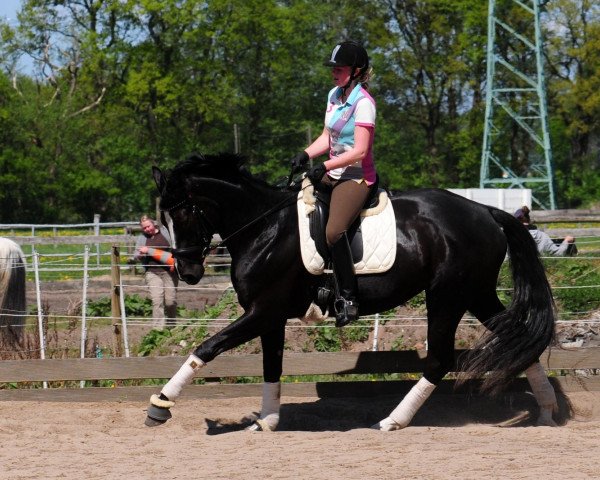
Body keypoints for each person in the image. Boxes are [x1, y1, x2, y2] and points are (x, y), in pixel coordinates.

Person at [289, 40, 376, 327]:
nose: (333, 73)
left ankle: (348, 298)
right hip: (332, 171)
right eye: (333, 68)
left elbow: (359, 151)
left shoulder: (364, 104)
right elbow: (328, 137)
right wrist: (306, 154)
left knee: (335, 231)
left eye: (339, 69)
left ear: (356, 71)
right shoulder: (334, 95)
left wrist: (323, 166)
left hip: (355, 177)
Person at [133, 215, 178, 328]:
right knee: (157, 301)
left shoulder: (165, 233)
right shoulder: (142, 238)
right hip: (152, 273)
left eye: (148, 226)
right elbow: (135, 255)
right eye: (144, 228)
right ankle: (158, 330)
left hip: (169, 272)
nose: (147, 229)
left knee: (170, 302)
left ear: (154, 224)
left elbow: (175, 247)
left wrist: (149, 250)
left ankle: (172, 327)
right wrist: (139, 255)